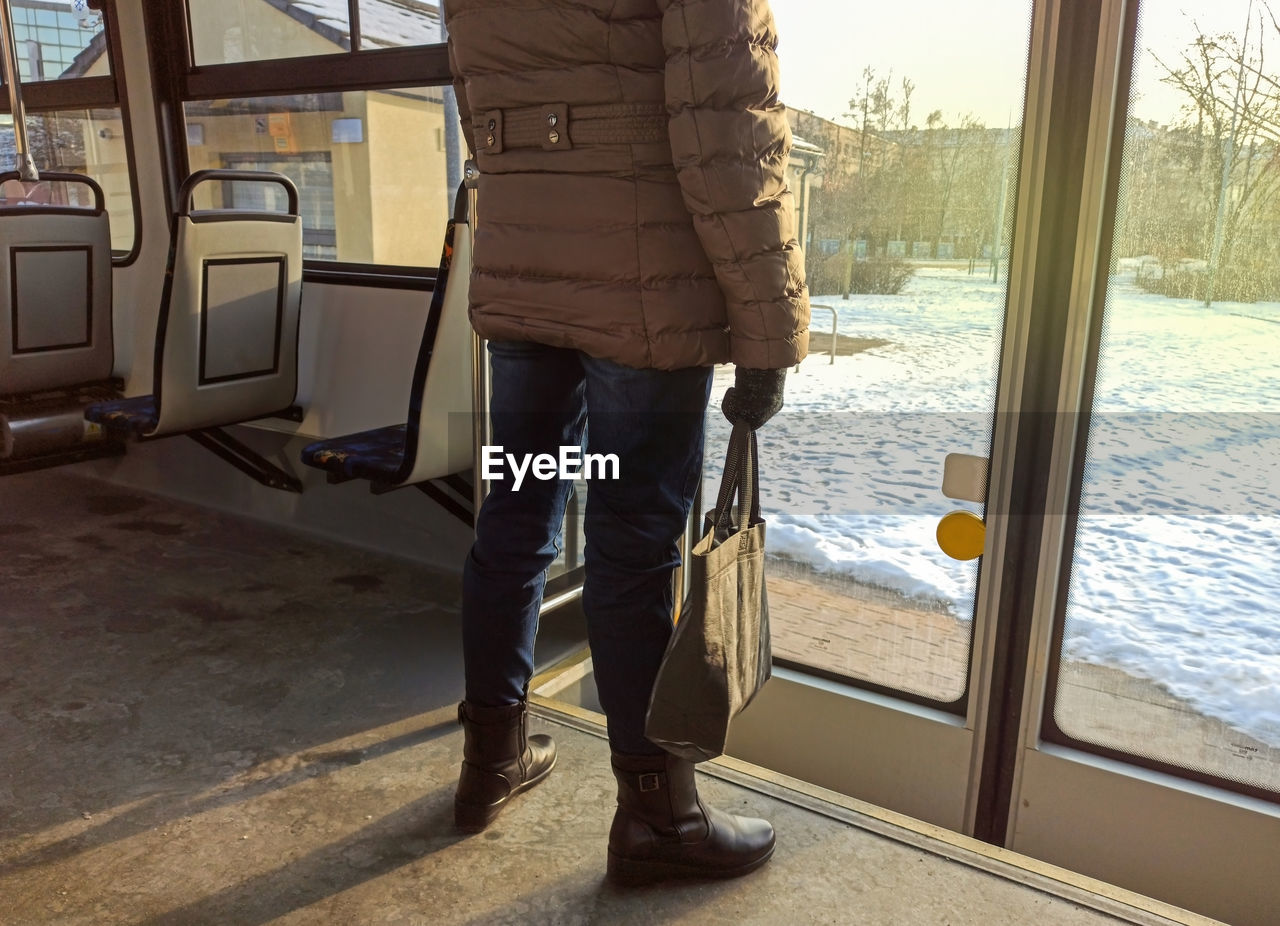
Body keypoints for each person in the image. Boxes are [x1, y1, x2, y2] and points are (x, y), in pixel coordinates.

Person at [444, 0, 810, 882]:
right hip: (645, 280)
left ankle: (489, 761)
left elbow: (483, 102)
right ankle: (658, 816)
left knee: (517, 512)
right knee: (636, 545)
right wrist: (771, 336)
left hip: (528, 267)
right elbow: (731, 134)